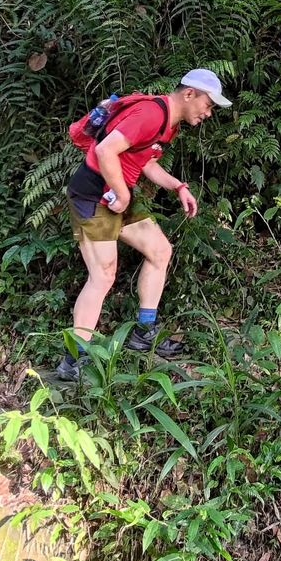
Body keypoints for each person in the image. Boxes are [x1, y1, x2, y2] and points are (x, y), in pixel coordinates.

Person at [56, 68, 231, 381]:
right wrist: (123, 194)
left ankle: (143, 333)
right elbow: (105, 150)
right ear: (189, 93)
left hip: (116, 192)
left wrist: (178, 186)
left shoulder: (168, 124)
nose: (208, 113)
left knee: (160, 250)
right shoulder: (151, 114)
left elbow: (145, 161)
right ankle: (73, 360)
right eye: (208, 104)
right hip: (94, 194)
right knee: (103, 275)